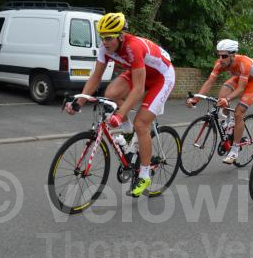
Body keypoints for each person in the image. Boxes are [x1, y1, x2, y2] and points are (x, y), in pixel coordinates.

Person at [65, 12, 175, 197]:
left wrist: (120, 114)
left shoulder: (133, 47)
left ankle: (145, 174)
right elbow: (96, 77)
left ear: (121, 36)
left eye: (109, 38)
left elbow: (139, 89)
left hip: (161, 77)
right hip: (139, 72)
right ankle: (129, 131)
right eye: (102, 38)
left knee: (142, 124)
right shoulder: (105, 49)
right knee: (110, 93)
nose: (105, 42)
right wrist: (79, 101)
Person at [187, 39, 253, 164]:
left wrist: (227, 99)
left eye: (224, 56)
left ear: (233, 55)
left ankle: (234, 150)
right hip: (239, 77)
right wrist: (196, 98)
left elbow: (240, 89)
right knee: (221, 95)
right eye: (219, 55)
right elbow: (209, 82)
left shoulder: (244, 63)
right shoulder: (220, 64)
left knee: (239, 113)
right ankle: (229, 122)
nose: (220, 59)